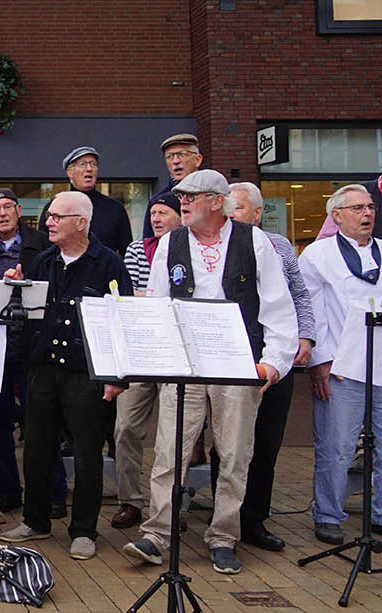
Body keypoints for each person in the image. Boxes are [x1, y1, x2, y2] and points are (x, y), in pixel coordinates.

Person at [123, 169, 297, 575]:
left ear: (217, 202)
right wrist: (158, 359)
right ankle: (157, 534)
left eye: (191, 196)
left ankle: (223, 537)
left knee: (235, 454)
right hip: (183, 363)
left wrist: (273, 361)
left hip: (237, 362)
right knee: (169, 451)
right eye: (180, 195)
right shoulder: (170, 243)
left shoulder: (255, 242)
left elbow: (278, 306)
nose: (181, 201)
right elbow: (158, 304)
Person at [0, 191, 131, 562]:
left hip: (86, 373)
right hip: (42, 370)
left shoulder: (109, 265)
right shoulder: (43, 262)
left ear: (81, 222)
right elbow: (23, 313)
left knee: (88, 454)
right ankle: (36, 520)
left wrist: (116, 376)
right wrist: (15, 288)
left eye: (58, 216)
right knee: (37, 448)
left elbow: (122, 322)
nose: (49, 222)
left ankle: (84, 531)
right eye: (49, 216)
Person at [226, 181, 316, 551]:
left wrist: (305, 337)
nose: (230, 215)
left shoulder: (278, 246)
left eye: (239, 208)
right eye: (226, 208)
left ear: (259, 213)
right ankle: (225, 519)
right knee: (228, 443)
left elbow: (299, 294)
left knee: (266, 442)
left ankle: (255, 520)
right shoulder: (215, 245)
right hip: (233, 355)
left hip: (275, 354)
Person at [300, 184, 381, 547]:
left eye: (370, 207)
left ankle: (379, 515)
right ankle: (329, 514)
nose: (367, 214)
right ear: (336, 215)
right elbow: (310, 313)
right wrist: (319, 362)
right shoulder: (317, 255)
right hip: (341, 366)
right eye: (357, 208)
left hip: (381, 364)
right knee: (337, 446)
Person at [109, 193, 182, 531]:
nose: (155, 218)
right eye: (152, 212)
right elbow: (127, 293)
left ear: (180, 217)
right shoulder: (138, 250)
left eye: (163, 212)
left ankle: (167, 507)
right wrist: (156, 300)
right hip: (139, 350)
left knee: (174, 435)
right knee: (125, 428)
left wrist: (150, 298)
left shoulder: (190, 251)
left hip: (177, 355)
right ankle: (130, 501)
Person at [0, 188, 54, 514]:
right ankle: (7, 490)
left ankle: (51, 492)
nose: (3, 213)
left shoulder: (41, 243)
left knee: (41, 419)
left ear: (19, 210)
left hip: (33, 341)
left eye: (8, 207)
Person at [39, 147, 132, 255]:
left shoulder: (115, 209)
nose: (89, 168)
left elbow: (127, 253)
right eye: (82, 164)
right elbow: (43, 249)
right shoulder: (53, 209)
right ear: (70, 172)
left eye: (93, 164)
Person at [140, 133, 202, 238]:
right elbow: (150, 244)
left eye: (182, 154)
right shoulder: (158, 200)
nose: (175, 161)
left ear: (198, 159)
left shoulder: (213, 194)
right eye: (169, 156)